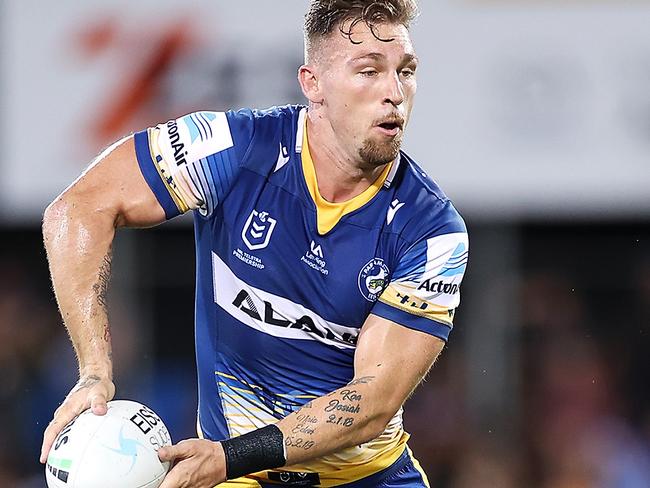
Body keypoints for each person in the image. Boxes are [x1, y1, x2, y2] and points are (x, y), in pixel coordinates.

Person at [40, 1, 468, 486]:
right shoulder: (232, 149)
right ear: (313, 84)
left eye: (406, 72)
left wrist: (228, 457)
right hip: (243, 477)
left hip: (364, 477)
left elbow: (372, 403)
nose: (394, 93)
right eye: (369, 70)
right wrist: (93, 369)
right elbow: (76, 209)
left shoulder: (433, 231)